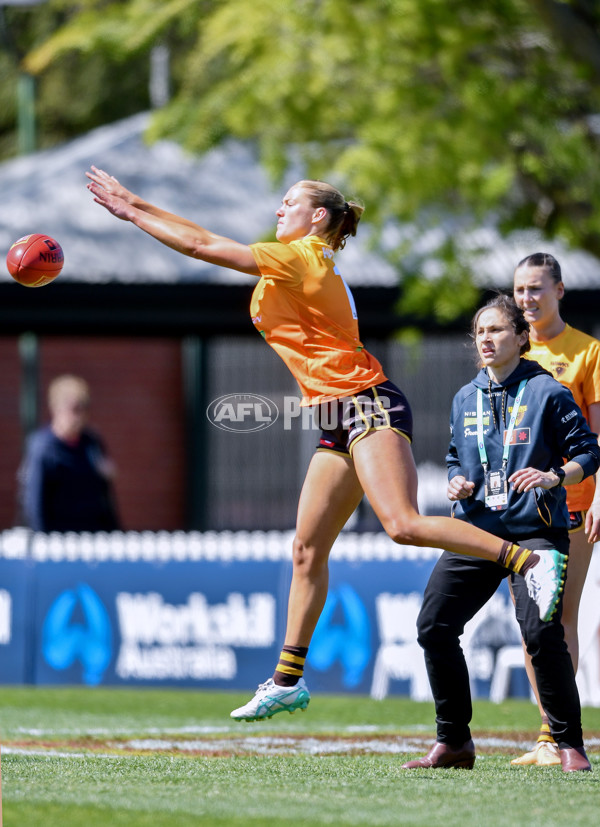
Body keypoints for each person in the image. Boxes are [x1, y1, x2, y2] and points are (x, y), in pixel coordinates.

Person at [86, 167, 567, 721]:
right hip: (339, 414)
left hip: (368, 402)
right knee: (306, 550)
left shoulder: (304, 257)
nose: (277, 211)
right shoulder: (290, 263)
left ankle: (526, 560)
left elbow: (199, 245)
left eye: (289, 202)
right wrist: (136, 201)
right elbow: (200, 233)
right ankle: (287, 680)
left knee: (403, 524)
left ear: (318, 217)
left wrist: (130, 213)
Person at [402, 295, 600, 773]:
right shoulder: (463, 397)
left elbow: (589, 453)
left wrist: (556, 477)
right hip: (477, 531)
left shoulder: (548, 392)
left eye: (496, 330)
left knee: (540, 632)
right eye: (479, 332)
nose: (485, 340)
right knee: (434, 626)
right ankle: (454, 743)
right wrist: (456, 480)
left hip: (535, 533)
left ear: (521, 337)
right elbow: (456, 456)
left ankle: (570, 745)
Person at [510, 253, 600, 766]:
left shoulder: (587, 353)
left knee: (559, 619)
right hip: (517, 510)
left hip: (573, 503)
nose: (527, 299)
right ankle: (546, 737)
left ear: (560, 291)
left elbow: (599, 437)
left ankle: (561, 734)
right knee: (528, 620)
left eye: (537, 289)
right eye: (520, 290)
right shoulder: (505, 350)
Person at [19, 375, 120, 532]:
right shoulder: (43, 447)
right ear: (56, 409)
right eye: (73, 410)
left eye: (83, 409)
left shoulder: (91, 443)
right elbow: (34, 501)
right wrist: (42, 540)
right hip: (59, 539)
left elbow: (105, 495)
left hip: (92, 535)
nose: (78, 417)